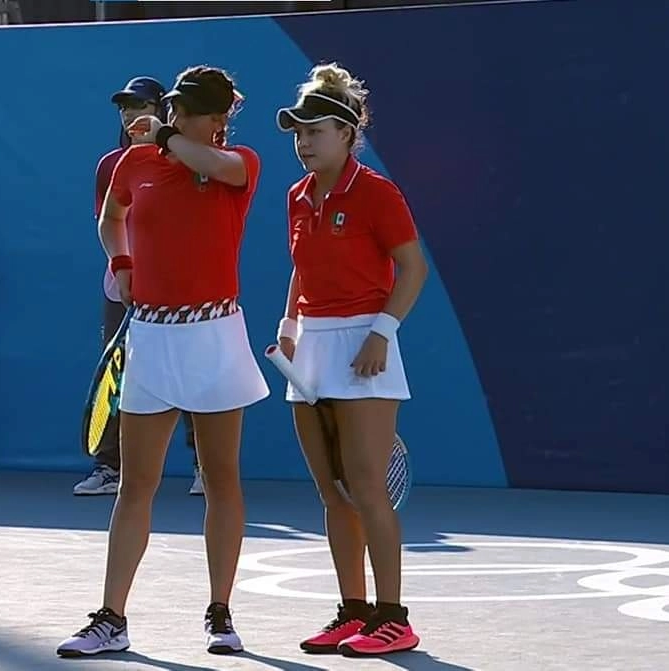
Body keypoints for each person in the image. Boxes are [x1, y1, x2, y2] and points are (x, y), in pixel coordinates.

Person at [57, 65, 268, 657]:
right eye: (174, 107)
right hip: (152, 335)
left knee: (221, 480)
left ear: (218, 119)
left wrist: (166, 137)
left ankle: (220, 614)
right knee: (136, 484)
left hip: (215, 334)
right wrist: (122, 263)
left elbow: (216, 165)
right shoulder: (135, 163)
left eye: (188, 110)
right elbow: (111, 219)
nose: (176, 116)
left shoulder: (240, 163)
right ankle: (111, 619)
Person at [273, 63, 428, 657]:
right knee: (332, 493)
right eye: (298, 133)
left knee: (366, 487)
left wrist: (381, 332)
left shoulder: (377, 192)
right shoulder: (296, 196)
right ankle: (354, 612)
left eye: (315, 132)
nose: (304, 142)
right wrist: (290, 324)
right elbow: (302, 268)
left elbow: (412, 268)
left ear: (346, 133)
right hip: (310, 349)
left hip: (365, 346)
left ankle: (394, 619)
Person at [73, 75, 204, 497]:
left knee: (188, 374)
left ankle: (203, 466)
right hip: (124, 289)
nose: (131, 115)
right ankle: (109, 468)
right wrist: (124, 269)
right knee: (118, 378)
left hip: (178, 290)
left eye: (141, 106)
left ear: (162, 112)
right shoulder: (111, 165)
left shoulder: (184, 161)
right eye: (125, 108)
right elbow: (109, 222)